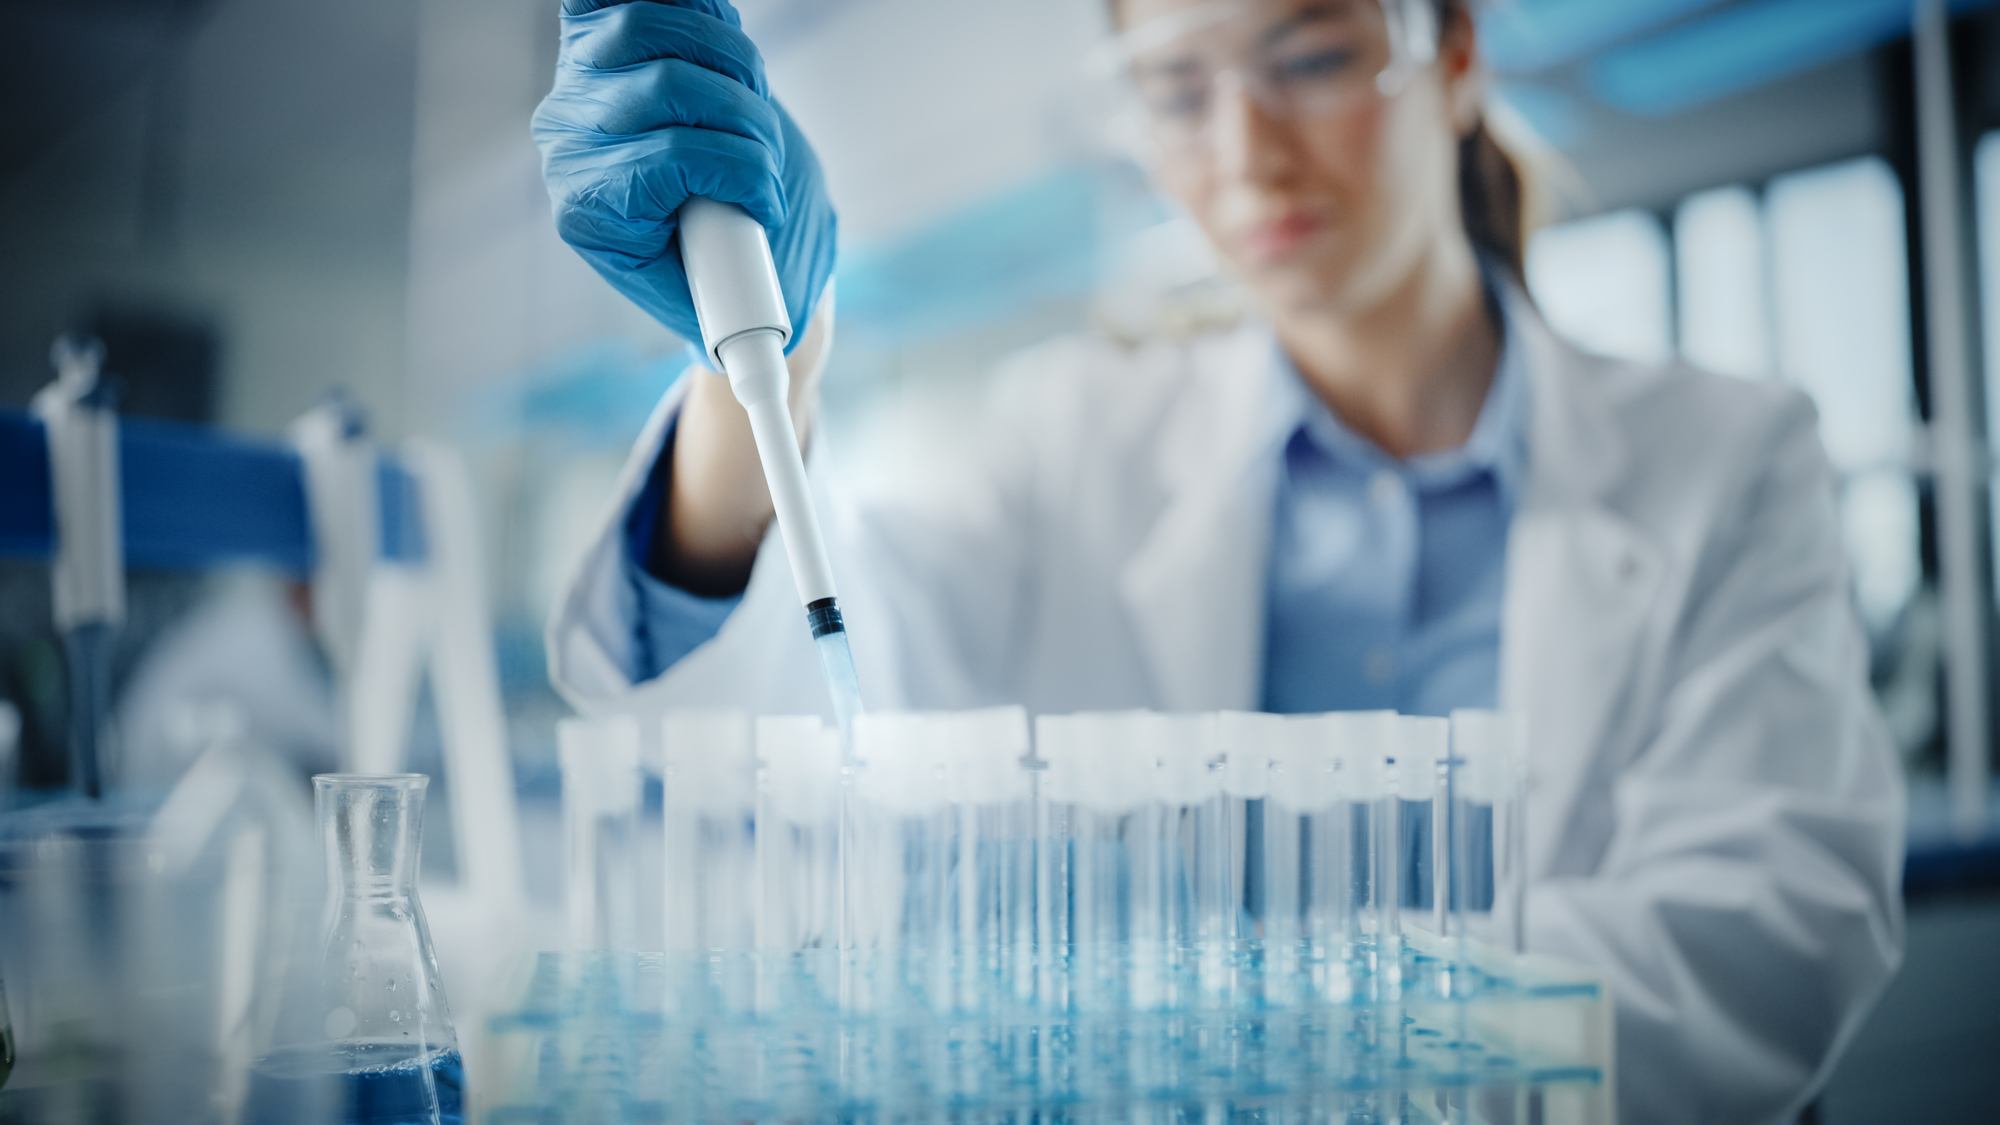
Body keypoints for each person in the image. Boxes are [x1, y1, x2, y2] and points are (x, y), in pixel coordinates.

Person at [532, 0, 1905, 1119]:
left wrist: (1285, 1054)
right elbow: (822, 701)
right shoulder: (1067, 442)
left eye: (1308, 54)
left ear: (1457, 51)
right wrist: (766, 368)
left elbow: (1766, 938)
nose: (1245, 149)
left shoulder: (1728, 456)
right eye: (1178, 89)